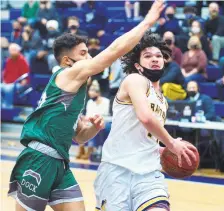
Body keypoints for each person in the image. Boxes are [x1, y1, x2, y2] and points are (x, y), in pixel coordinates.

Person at [8, 1, 169, 210]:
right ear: (67, 60)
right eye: (83, 53)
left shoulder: (74, 91)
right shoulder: (67, 74)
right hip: (39, 158)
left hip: (60, 162)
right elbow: (111, 53)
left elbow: (79, 137)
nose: (89, 57)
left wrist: (92, 128)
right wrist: (147, 22)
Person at [94, 32, 197, 210]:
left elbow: (147, 135)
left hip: (149, 174)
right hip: (117, 170)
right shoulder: (135, 80)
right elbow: (145, 117)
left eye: (158, 56)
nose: (155, 59)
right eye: (147, 56)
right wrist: (171, 143)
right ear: (138, 65)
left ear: (165, 61)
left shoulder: (162, 100)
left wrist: (162, 148)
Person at [1, 43, 30, 108]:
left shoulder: (22, 60)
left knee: (8, 88)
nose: (11, 52)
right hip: (7, 83)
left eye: (13, 50)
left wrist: (24, 81)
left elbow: (26, 74)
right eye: (10, 50)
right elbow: (5, 74)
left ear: (18, 51)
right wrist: (4, 81)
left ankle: (8, 107)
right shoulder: (8, 60)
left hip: (18, 84)